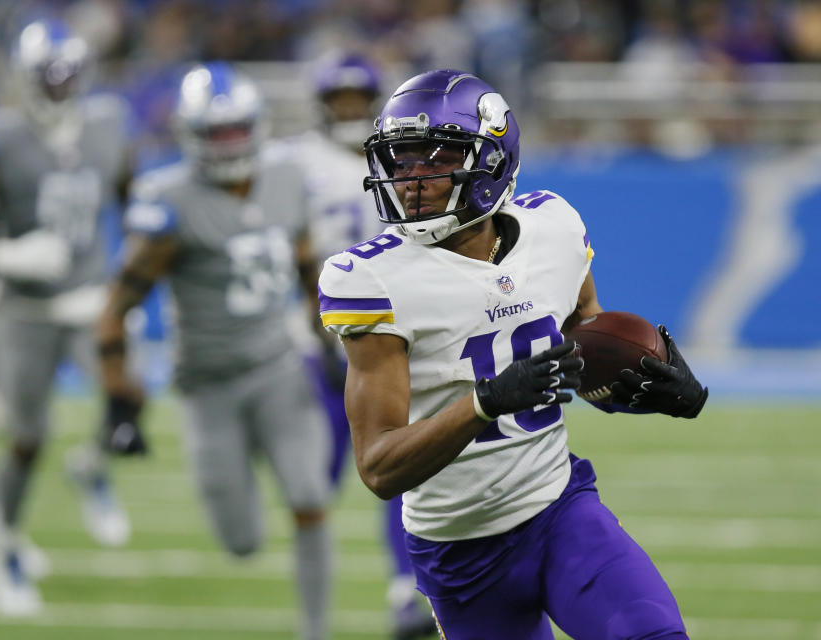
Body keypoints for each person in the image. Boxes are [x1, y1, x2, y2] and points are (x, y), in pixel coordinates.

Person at [318, 69, 708, 640]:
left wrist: (655, 386)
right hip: (459, 552)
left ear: (494, 160)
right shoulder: (371, 279)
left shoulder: (553, 226)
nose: (412, 180)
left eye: (437, 158)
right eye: (402, 162)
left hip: (559, 509)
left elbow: (582, 358)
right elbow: (378, 466)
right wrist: (484, 402)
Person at [95, 62, 333, 640]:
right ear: (191, 134)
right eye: (215, 132)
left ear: (256, 126)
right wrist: (119, 398)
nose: (228, 143)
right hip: (207, 386)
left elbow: (308, 268)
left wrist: (329, 345)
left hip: (279, 368)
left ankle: (314, 631)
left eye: (236, 129)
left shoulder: (286, 178)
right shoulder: (168, 201)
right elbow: (115, 306)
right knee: (242, 541)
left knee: (309, 498)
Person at [0, 18, 134, 615]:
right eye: (50, 77)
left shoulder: (105, 125)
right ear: (26, 78)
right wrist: (3, 253)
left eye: (70, 75)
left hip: (89, 296)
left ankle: (90, 467)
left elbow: (128, 193)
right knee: (26, 437)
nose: (62, 87)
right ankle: (5, 545)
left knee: (128, 399)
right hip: (23, 308)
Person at [282, 51, 437, 640]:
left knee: (398, 459)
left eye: (356, 100)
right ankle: (315, 606)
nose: (348, 110)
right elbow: (283, 248)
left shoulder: (405, 156)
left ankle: (405, 590)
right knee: (316, 476)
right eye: (337, 100)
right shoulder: (294, 162)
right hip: (314, 334)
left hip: (389, 334)